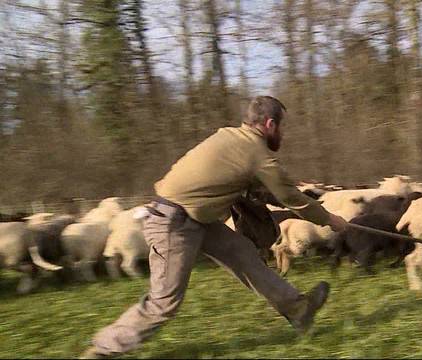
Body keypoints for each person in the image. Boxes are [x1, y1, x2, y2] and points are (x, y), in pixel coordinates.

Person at [81, 96, 348, 358]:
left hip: (194, 217)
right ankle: (103, 349)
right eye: (282, 127)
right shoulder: (256, 153)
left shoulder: (229, 137)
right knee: (164, 302)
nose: (282, 133)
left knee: (242, 253)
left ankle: (298, 310)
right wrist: (329, 219)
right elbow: (289, 197)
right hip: (173, 224)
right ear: (269, 124)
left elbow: (256, 188)